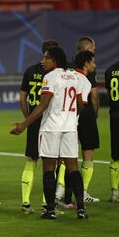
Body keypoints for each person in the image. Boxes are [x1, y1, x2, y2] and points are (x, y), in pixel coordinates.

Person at [10, 47, 90, 220]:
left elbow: (43, 104)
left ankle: (50, 211)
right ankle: (81, 210)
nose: (43, 61)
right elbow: (80, 105)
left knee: (48, 168)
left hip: (51, 127)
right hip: (69, 128)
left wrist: (24, 124)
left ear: (54, 60)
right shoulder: (74, 77)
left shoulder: (50, 77)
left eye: (46, 58)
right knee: (73, 168)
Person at [56, 37, 100, 203]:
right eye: (93, 48)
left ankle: (59, 190)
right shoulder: (87, 70)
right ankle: (83, 191)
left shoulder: (67, 66)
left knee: (66, 154)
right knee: (88, 151)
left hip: (67, 115)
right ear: (88, 49)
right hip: (85, 112)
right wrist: (94, 115)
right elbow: (94, 95)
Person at [19, 40, 59, 214]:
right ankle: (47, 204)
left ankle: (25, 203)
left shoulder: (30, 71)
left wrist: (28, 119)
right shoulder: (55, 74)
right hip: (50, 123)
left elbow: (22, 99)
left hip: (34, 122)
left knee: (30, 161)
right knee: (50, 164)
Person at [105, 60, 119, 203]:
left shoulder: (110, 70)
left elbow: (109, 94)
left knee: (116, 154)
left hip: (115, 115)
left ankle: (114, 192)